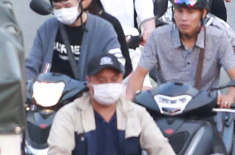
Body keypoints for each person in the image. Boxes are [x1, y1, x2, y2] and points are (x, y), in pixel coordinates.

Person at [47, 49, 176, 155]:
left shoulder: (137, 114)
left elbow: (161, 149)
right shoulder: (69, 115)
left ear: (121, 79)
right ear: (89, 81)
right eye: (101, 80)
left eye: (114, 79)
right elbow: (58, 151)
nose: (108, 85)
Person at [128, 0, 235, 105]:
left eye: (191, 12)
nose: (184, 18)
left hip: (204, 109)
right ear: (173, 13)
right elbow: (139, 76)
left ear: (203, 14)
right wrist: (130, 106)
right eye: (179, 11)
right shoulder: (158, 37)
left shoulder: (218, 38)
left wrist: (228, 98)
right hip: (166, 107)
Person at [26, 0, 125, 83]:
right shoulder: (47, 28)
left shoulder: (103, 29)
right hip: (49, 93)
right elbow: (32, 64)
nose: (63, 10)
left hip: (88, 93)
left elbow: (117, 64)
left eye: (68, 5)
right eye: (58, 7)